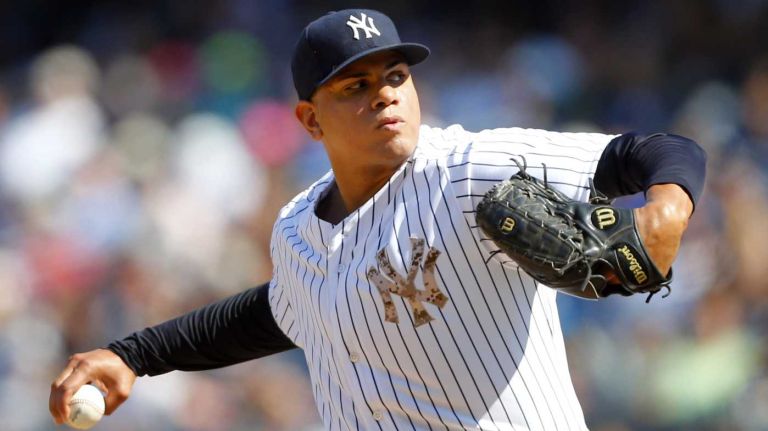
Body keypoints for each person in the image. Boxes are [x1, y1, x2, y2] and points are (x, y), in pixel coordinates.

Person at [49, 9, 706, 430]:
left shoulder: (470, 167)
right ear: (309, 119)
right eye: (354, 86)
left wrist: (667, 208)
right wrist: (132, 353)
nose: (385, 93)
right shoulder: (298, 227)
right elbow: (275, 312)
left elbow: (656, 151)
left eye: (394, 75)